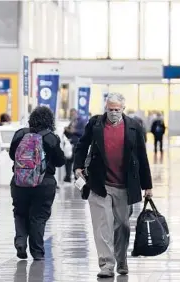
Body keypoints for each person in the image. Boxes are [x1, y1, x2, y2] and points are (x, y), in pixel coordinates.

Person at [73, 93, 153, 278]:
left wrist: (147, 185)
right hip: (99, 184)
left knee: (123, 226)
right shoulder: (95, 124)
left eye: (117, 110)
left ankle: (121, 259)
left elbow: (142, 157)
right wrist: (78, 166)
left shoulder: (134, 126)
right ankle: (106, 265)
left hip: (125, 186)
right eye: (111, 109)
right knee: (103, 226)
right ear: (105, 108)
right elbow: (82, 145)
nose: (114, 113)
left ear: (123, 109)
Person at [9, 106, 66, 261]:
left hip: (20, 182)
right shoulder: (51, 137)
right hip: (44, 183)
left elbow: (11, 155)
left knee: (20, 213)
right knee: (38, 217)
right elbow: (60, 161)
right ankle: (37, 252)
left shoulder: (20, 134)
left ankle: (21, 241)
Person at [63, 109, 86, 182]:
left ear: (76, 113)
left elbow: (84, 132)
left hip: (78, 144)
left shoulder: (81, 121)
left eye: (73, 114)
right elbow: (68, 133)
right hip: (71, 144)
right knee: (68, 160)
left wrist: (75, 131)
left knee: (77, 161)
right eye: (71, 114)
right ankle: (68, 176)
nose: (72, 115)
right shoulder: (72, 122)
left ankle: (78, 178)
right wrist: (66, 130)